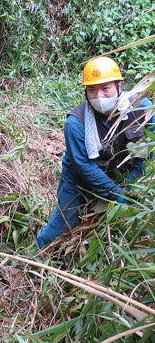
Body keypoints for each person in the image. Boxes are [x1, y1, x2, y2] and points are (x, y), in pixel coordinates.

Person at [36, 56, 154, 248]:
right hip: (79, 179)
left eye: (105, 88)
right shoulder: (75, 123)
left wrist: (134, 181)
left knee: (115, 227)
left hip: (121, 171)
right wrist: (118, 195)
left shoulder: (142, 108)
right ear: (85, 92)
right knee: (63, 224)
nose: (99, 96)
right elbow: (84, 168)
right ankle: (32, 256)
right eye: (92, 90)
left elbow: (149, 146)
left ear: (119, 86)